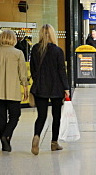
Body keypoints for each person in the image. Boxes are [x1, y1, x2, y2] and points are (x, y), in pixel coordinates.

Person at [0, 29, 28, 152]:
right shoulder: (18, 53)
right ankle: (5, 136)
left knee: (1, 118)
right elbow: (22, 73)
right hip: (12, 91)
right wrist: (25, 87)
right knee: (15, 116)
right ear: (13, 39)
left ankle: (4, 144)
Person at [29, 24, 70, 155]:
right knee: (56, 115)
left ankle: (36, 136)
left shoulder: (35, 49)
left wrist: (38, 80)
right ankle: (54, 143)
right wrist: (66, 88)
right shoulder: (58, 51)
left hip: (40, 86)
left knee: (41, 116)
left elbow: (33, 69)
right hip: (56, 87)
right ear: (52, 35)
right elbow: (61, 71)